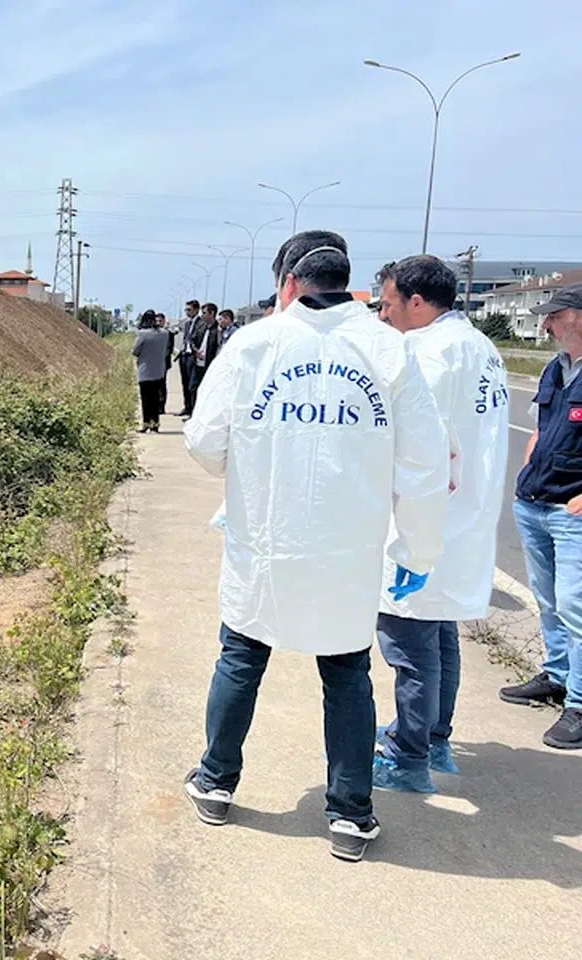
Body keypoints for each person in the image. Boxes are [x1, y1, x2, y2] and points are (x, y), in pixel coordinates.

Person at [182, 231, 449, 862]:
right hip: (346, 551)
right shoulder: (389, 350)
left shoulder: (254, 343)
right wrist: (418, 548)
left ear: (292, 284)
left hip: (267, 542)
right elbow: (423, 462)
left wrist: (248, 463)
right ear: (351, 285)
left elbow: (203, 442)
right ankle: (351, 816)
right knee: (348, 673)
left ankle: (217, 784)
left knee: (242, 659)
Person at [374, 256, 509, 790]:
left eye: (387, 303)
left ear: (416, 301)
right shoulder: (481, 347)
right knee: (440, 634)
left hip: (428, 518)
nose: (383, 315)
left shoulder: (428, 352)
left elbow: (416, 442)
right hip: (465, 519)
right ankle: (435, 740)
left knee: (410, 642)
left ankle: (408, 758)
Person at [500, 282, 582, 750]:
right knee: (549, 600)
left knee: (576, 605)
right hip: (534, 503)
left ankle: (580, 703)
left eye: (554, 316)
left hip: (571, 510)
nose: (546, 325)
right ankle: (556, 675)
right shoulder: (556, 368)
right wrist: (528, 471)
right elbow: (540, 429)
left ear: (578, 317)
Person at [132, 309, 172, 432]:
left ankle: (146, 424)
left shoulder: (142, 334)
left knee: (145, 399)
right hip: (159, 370)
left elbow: (135, 351)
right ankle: (155, 425)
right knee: (155, 399)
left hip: (145, 370)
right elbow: (166, 350)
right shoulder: (165, 333)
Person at [186, 302, 221, 415]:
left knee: (207, 391)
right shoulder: (201, 327)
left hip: (209, 366)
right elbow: (192, 341)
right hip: (197, 364)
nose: (202, 316)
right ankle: (193, 413)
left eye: (205, 313)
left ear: (212, 314)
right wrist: (196, 352)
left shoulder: (217, 330)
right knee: (192, 388)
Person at [176, 300, 201, 416]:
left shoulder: (201, 323)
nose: (187, 312)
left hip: (193, 356)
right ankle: (187, 406)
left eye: (189, 310)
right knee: (185, 382)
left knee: (192, 385)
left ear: (196, 310)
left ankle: (193, 409)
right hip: (185, 354)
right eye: (186, 310)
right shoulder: (187, 323)